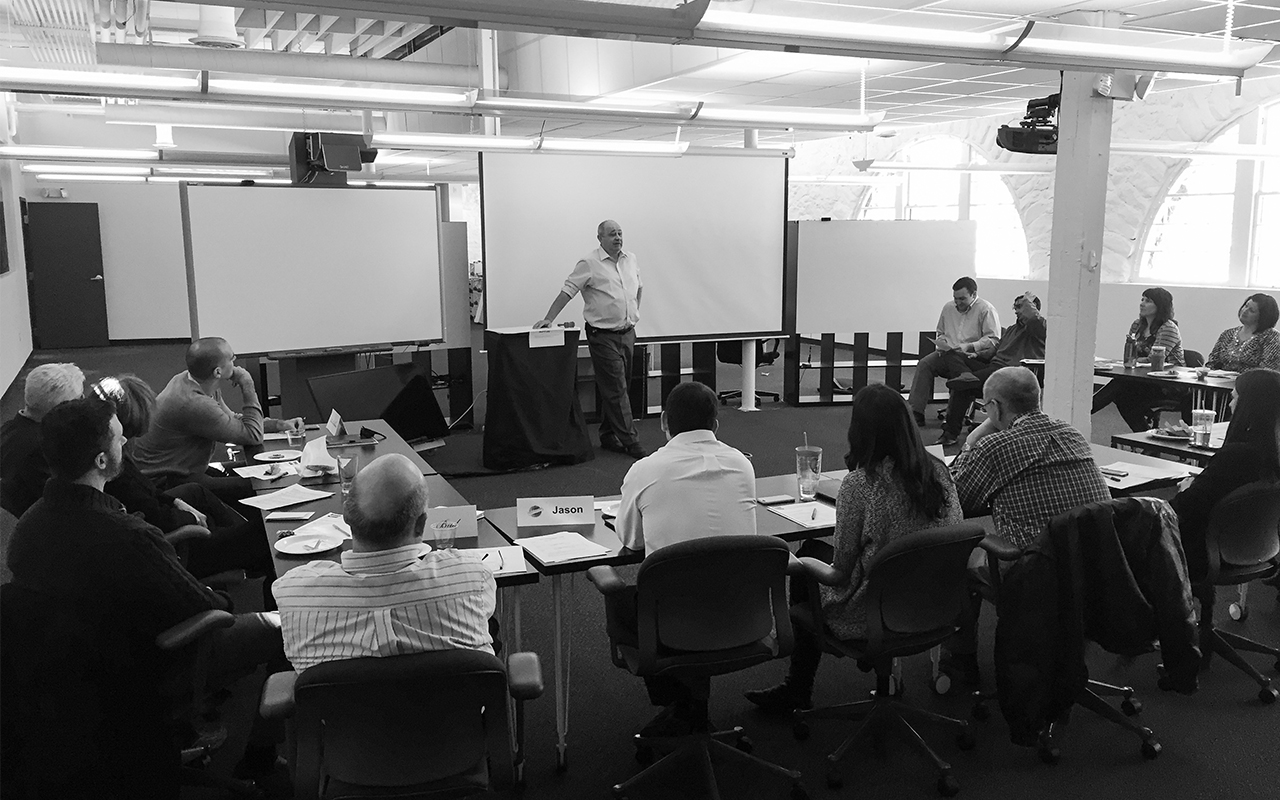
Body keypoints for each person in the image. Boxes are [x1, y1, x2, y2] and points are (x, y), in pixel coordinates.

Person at [5, 398, 287, 796]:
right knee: (288, 626)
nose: (127, 446)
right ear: (102, 461)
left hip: (72, 680)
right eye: (121, 440)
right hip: (150, 662)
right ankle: (260, 760)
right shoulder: (126, 536)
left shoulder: (28, 527)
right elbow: (200, 607)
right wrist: (222, 599)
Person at [744, 383, 962, 714]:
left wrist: (796, 563)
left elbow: (838, 574)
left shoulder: (861, 485)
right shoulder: (938, 472)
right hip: (936, 604)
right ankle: (875, 672)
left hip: (874, 614)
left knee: (809, 557)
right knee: (822, 552)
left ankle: (798, 688)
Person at [944, 366, 1111, 686]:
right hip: (1096, 564)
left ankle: (960, 661)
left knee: (957, 553)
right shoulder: (1071, 433)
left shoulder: (994, 447)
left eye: (984, 407)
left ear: (993, 408)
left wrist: (974, 438)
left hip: (1035, 571)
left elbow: (954, 502)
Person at [608, 381, 757, 735]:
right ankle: (689, 707)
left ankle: (680, 704)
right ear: (716, 424)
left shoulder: (647, 469)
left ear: (663, 421)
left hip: (673, 625)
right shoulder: (742, 465)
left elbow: (630, 538)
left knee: (620, 596)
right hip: (743, 616)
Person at [273, 453, 497, 672]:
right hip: (455, 709)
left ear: (346, 517)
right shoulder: (472, 577)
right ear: (421, 525)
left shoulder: (292, 592)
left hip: (342, 710)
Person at [97, 375, 278, 608]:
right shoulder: (117, 471)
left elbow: (148, 494)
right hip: (176, 550)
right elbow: (154, 515)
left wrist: (174, 503)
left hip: (171, 526)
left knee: (198, 493)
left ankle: (241, 549)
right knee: (264, 533)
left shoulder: (116, 457)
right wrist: (188, 516)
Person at [1170, 369, 1280, 635]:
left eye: (1234, 397)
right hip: (1260, 551)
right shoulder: (1271, 455)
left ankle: (1148, 625)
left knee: (1133, 526)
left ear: (1248, 404)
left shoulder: (1237, 456)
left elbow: (1182, 510)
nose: (1230, 404)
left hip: (1207, 552)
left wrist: (1188, 488)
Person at [131, 337, 302, 497]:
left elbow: (233, 421)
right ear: (218, 372)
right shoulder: (194, 403)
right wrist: (248, 385)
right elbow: (252, 436)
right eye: (232, 359)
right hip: (166, 482)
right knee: (267, 483)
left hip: (184, 470)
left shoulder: (190, 380)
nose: (236, 366)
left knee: (272, 469)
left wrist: (279, 425)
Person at [534, 219, 647, 459]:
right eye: (611, 234)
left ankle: (608, 434)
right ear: (600, 238)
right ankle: (631, 441)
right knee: (616, 388)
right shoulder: (589, 263)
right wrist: (549, 318)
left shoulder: (631, 259)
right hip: (602, 335)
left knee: (619, 386)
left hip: (627, 332)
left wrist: (634, 314)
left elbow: (638, 288)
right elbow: (568, 291)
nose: (617, 238)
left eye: (620, 233)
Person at [937, 292, 1047, 446]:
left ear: (1032, 308)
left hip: (1008, 374)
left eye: (1020, 307)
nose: (1016, 310)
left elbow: (1034, 319)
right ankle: (966, 376)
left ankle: (950, 433)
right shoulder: (1011, 329)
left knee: (961, 387)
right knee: (951, 355)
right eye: (1015, 307)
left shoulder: (1039, 329)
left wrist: (1028, 302)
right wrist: (977, 355)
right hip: (992, 367)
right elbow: (996, 352)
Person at [908, 276, 1001, 427]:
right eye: (955, 298)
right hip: (947, 353)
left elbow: (993, 339)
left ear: (973, 294)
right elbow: (941, 331)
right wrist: (942, 342)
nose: (957, 303)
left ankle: (953, 419)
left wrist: (970, 346)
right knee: (925, 364)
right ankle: (915, 412)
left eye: (962, 299)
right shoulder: (948, 307)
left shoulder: (986, 309)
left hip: (971, 357)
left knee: (958, 371)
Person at [1091, 287, 1185, 432]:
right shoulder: (1137, 325)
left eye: (1148, 301)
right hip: (1141, 379)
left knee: (1120, 388)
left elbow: (1155, 359)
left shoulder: (1168, 328)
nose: (1142, 304)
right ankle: (1145, 436)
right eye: (1142, 299)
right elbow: (1130, 354)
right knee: (1122, 394)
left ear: (1160, 306)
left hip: (1166, 383)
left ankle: (1086, 409)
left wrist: (1133, 360)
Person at [0, 362, 84, 516]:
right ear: (61, 409)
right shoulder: (43, 449)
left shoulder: (8, 429)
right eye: (79, 399)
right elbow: (64, 501)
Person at [1205, 293, 1280, 373]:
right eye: (1246, 306)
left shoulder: (1271, 337)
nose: (1245, 311)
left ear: (1263, 316)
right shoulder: (1227, 333)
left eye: (1251, 310)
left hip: (1252, 383)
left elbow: (1267, 371)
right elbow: (1212, 363)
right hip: (1220, 382)